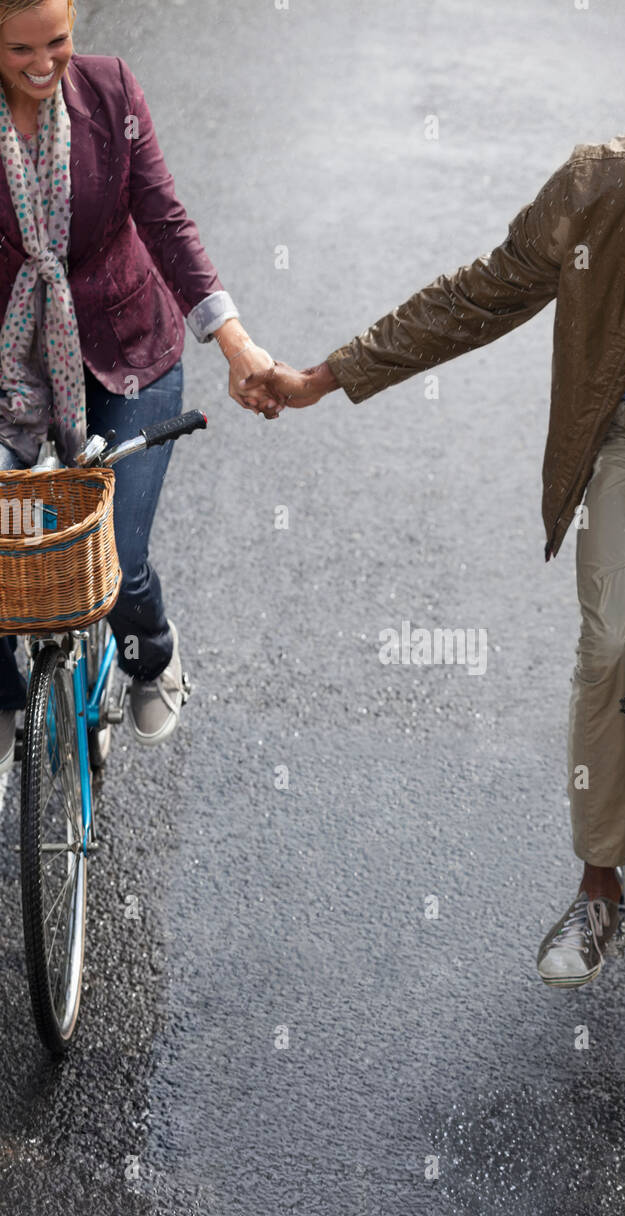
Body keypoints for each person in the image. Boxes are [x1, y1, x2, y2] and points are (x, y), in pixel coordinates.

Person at [243, 19, 625, 988]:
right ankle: (597, 889)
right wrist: (329, 374)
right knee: (611, 641)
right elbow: (483, 293)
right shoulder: (601, 185)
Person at [0, 0, 281, 768]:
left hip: (130, 352)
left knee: (113, 552)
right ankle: (2, 701)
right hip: (12, 369)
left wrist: (235, 342)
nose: (41, 62)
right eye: (20, 46)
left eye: (57, 41)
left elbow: (164, 221)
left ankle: (153, 655)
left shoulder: (111, 92)